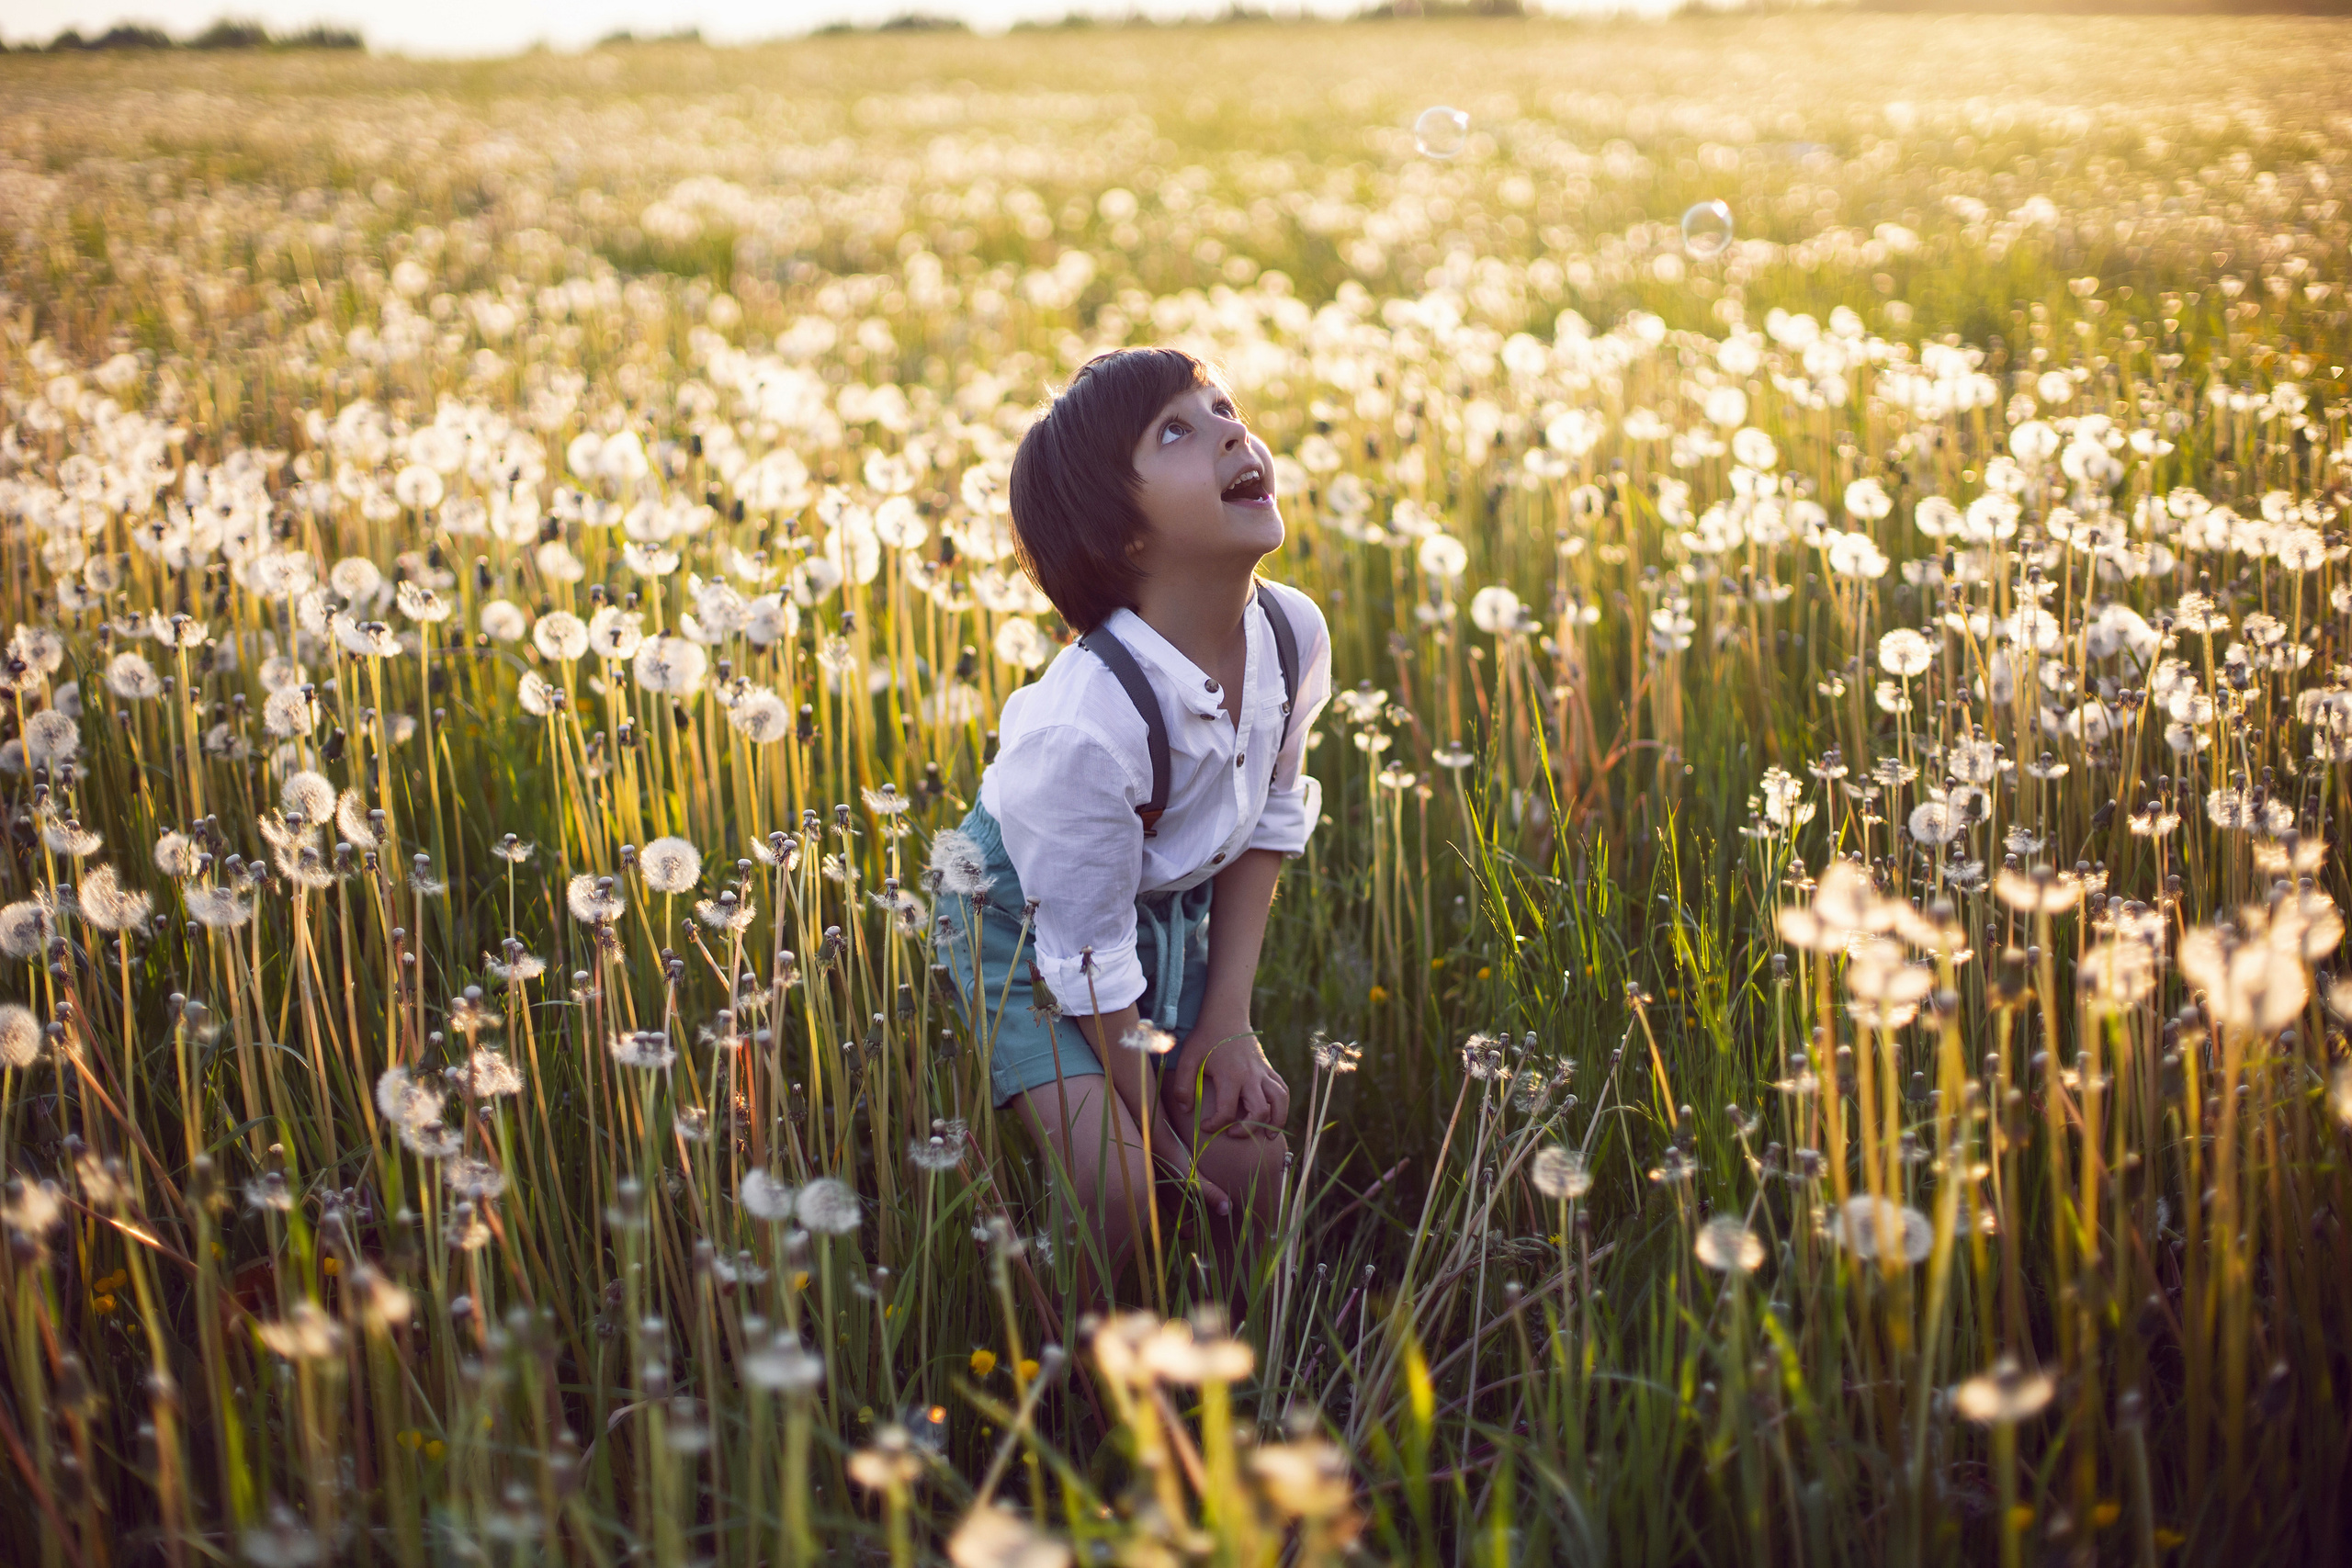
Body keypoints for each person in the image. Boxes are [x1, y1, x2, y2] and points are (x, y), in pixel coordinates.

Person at [935, 346, 1332, 1310]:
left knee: (1248, 1160)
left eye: (1224, 406)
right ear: (1125, 540)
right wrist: (1154, 1128)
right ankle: (1080, 1367)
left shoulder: (1294, 636)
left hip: (1155, 903)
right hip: (1021, 930)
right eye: (1177, 430)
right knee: (1122, 1188)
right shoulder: (1083, 731)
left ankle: (1243, 1358)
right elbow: (1086, 957)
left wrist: (1227, 1027)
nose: (1232, 431)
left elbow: (1269, 824)